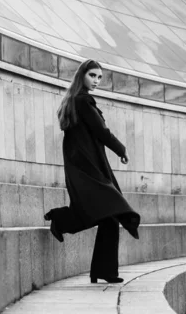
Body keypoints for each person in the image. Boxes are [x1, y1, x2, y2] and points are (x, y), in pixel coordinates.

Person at [44, 59, 140, 284]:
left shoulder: (76, 101)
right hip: (87, 169)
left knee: (107, 216)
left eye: (99, 77)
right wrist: (121, 149)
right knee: (108, 210)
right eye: (92, 76)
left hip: (85, 167)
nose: (96, 81)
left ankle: (102, 270)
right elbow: (101, 131)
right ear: (82, 76)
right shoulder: (83, 101)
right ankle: (60, 220)